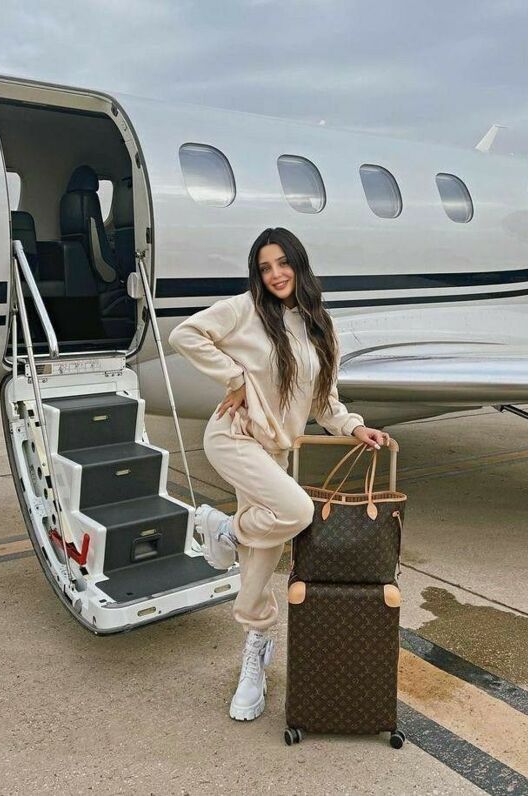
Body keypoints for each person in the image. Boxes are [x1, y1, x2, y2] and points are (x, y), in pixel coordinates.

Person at [167, 227, 390, 722]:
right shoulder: (245, 309)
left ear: (299, 264)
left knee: (261, 560)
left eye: (283, 263)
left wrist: (354, 427)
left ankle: (256, 646)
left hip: (276, 454)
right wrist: (235, 378)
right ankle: (225, 530)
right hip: (234, 436)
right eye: (265, 267)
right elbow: (184, 334)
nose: (275, 274)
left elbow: (325, 403)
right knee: (296, 511)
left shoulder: (319, 326)